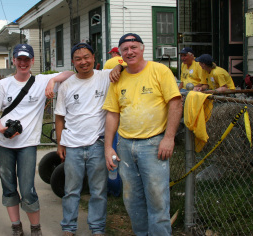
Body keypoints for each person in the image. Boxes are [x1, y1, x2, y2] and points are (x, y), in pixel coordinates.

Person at [0, 44, 74, 236]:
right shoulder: (4, 84)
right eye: (19, 59)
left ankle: (36, 228)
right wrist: (2, 129)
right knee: (8, 187)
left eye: (27, 59)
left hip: (27, 144)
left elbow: (69, 73)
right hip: (3, 144)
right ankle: (16, 226)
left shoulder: (42, 80)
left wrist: (52, 81)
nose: (23, 63)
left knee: (27, 189)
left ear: (32, 61)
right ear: (14, 61)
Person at [102, 33, 182, 235]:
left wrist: (169, 137)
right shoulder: (117, 78)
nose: (130, 52)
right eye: (125, 49)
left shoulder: (159, 71)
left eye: (133, 47)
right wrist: (108, 146)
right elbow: (112, 114)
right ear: (120, 54)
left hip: (153, 145)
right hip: (126, 146)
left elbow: (175, 102)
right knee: (132, 200)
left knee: (157, 198)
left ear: (142, 48)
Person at [55, 43, 121, 236]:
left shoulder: (104, 77)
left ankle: (97, 228)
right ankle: (68, 227)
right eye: (78, 59)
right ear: (73, 62)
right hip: (73, 146)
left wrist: (119, 67)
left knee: (98, 191)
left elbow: (125, 66)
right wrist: (60, 144)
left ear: (94, 57)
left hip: (98, 144)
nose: (83, 61)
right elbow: (59, 117)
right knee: (71, 191)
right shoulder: (66, 85)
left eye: (86, 57)